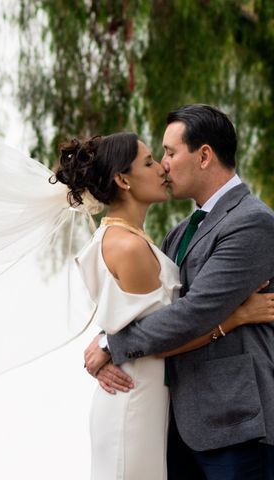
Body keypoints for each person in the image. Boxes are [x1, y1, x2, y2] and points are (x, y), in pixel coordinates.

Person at [52, 129, 274, 479]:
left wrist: (109, 344)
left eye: (166, 154)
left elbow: (155, 318)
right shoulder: (133, 244)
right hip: (139, 402)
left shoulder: (246, 221)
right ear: (123, 179)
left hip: (207, 416)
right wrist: (237, 315)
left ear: (204, 156)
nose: (162, 167)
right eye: (152, 159)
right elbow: (175, 324)